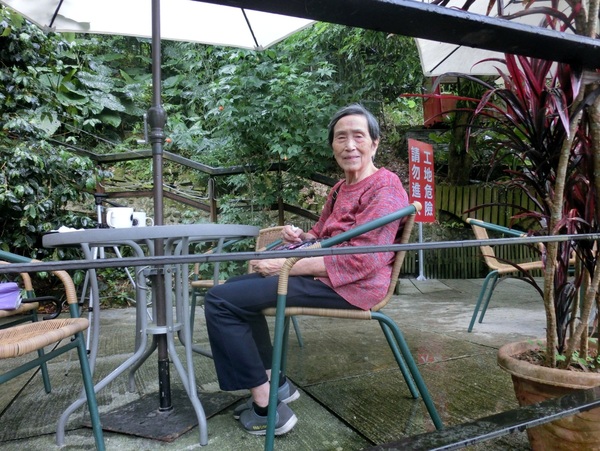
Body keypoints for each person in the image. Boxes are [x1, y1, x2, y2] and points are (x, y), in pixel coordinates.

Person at [204, 103, 409, 436]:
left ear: (375, 143)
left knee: (220, 301)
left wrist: (286, 265)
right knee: (232, 292)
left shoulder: (384, 187)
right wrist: (301, 237)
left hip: (352, 286)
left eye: (358, 136)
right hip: (323, 276)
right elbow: (320, 234)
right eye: (341, 137)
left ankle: (267, 409)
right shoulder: (340, 189)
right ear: (332, 146)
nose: (350, 145)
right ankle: (276, 385)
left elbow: (364, 259)